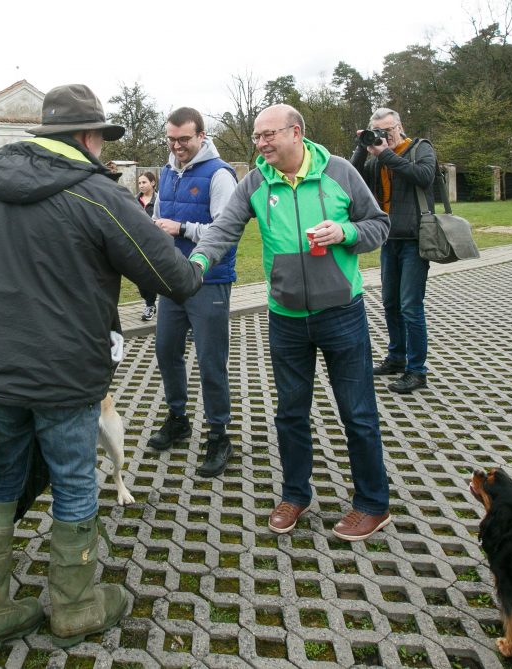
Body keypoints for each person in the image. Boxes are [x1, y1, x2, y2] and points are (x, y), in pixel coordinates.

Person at [0, 84, 202, 656]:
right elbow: (174, 277)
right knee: (73, 479)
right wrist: (202, 261)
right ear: (91, 138)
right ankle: (75, 606)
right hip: (66, 374)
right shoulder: (99, 194)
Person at [190, 104, 392, 541]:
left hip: (342, 314)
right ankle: (295, 494)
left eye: (268, 135)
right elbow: (223, 229)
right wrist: (199, 263)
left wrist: (346, 233)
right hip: (285, 318)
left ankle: (373, 503)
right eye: (257, 136)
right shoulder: (257, 180)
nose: (260, 144)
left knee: (357, 414)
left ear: (295, 133)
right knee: (290, 414)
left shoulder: (340, 172)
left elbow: (379, 225)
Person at [147, 107, 238, 479]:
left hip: (209, 282)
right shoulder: (166, 172)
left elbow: (227, 231)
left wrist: (181, 228)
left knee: (210, 360)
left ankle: (219, 434)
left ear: (202, 135)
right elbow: (157, 218)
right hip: (171, 281)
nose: (177, 146)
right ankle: (178, 418)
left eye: (184, 139)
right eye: (171, 139)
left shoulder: (220, 174)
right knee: (167, 351)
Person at [356, 108, 437, 394]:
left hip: (415, 240)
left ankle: (417, 371)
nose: (384, 136)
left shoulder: (420, 148)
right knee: (390, 303)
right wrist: (363, 147)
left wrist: (386, 153)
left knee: (410, 307)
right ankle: (396, 357)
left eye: (388, 131)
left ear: (399, 127)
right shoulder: (378, 158)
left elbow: (425, 177)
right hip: (389, 239)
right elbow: (355, 179)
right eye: (379, 131)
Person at [136, 171, 159, 321]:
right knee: (140, 277)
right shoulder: (133, 201)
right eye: (139, 183)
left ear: (153, 183)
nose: (141, 185)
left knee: (153, 275)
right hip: (137, 245)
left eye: (144, 182)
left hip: (155, 245)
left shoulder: (160, 201)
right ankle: (149, 301)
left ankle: (150, 305)